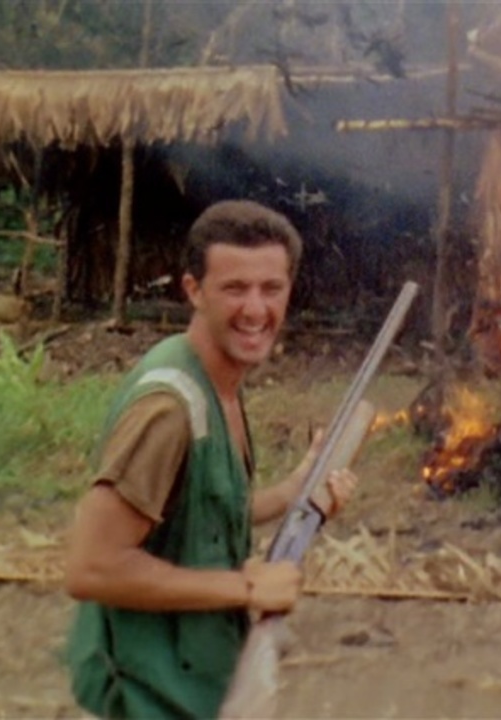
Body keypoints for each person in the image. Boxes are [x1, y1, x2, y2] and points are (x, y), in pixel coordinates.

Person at [63, 199, 358, 719]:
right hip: (142, 698)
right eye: (234, 288)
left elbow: (199, 514)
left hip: (194, 689)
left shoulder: (219, 385)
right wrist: (247, 585)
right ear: (193, 291)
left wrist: (295, 492)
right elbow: (92, 567)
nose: (255, 309)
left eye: (271, 289)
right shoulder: (169, 410)